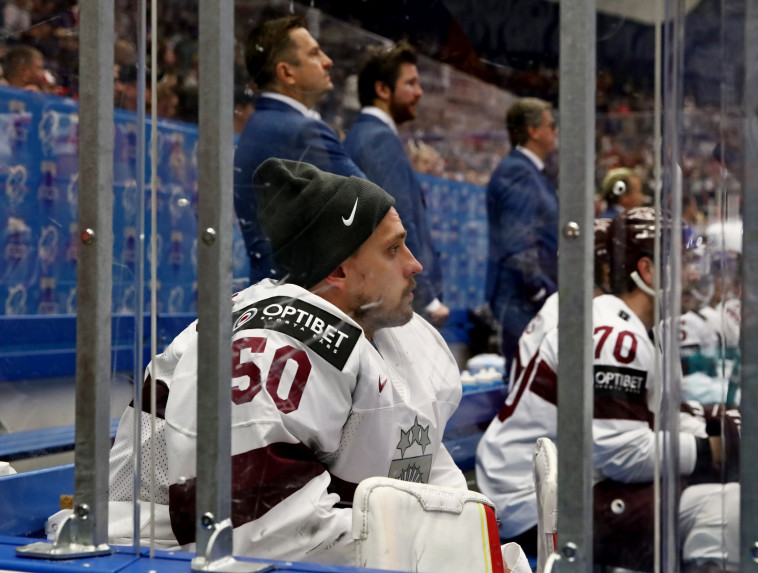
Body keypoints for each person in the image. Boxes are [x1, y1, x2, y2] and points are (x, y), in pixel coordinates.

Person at [107, 159, 484, 566]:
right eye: (393, 249)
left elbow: (428, 473)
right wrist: (430, 550)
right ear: (338, 270)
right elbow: (265, 536)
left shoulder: (386, 331)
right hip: (154, 559)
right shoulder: (269, 345)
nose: (415, 264)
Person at [477, 208, 743, 571]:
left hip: (575, 474)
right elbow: (624, 455)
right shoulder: (614, 334)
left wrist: (717, 430)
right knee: (723, 505)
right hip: (533, 497)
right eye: (683, 263)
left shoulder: (633, 326)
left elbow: (653, 419)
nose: (694, 275)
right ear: (647, 270)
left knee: (717, 487)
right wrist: (715, 448)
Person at [234, 15, 365, 285]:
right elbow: (374, 209)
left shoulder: (261, 123)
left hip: (276, 292)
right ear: (286, 73)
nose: (328, 61)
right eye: (315, 53)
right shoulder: (300, 131)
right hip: (303, 295)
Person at [344, 42, 449, 327]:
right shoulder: (377, 139)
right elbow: (397, 223)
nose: (419, 92)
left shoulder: (368, 134)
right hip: (400, 300)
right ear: (382, 89)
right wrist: (428, 299)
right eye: (410, 83)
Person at [486, 97, 559, 374]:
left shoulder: (533, 172)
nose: (555, 131)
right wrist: (539, 291)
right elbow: (518, 241)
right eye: (551, 125)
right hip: (523, 303)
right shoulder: (518, 171)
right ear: (533, 131)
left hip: (528, 302)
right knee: (525, 383)